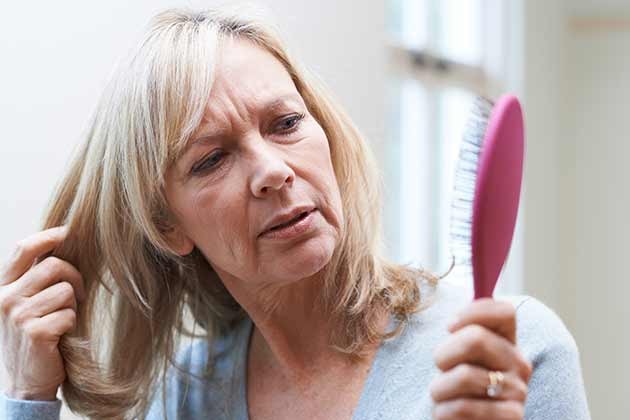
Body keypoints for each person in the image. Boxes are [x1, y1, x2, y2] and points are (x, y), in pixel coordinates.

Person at [0, 6, 590, 420]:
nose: (273, 171)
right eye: (211, 159)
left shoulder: (513, 354)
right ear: (165, 225)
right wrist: (28, 395)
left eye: (286, 124)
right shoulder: (183, 397)